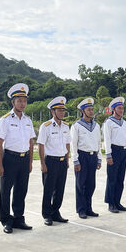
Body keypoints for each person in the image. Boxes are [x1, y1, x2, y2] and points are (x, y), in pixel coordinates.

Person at [0, 83, 36, 234]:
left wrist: (30, 162)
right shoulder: (5, 120)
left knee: (21, 190)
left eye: (24, 101)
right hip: (9, 158)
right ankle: (6, 220)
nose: (22, 103)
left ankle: (19, 218)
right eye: (19, 100)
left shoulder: (27, 120)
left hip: (24, 159)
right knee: (6, 191)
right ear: (13, 102)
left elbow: (31, 142)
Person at [37, 96, 71, 226]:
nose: (62, 113)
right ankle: (47, 214)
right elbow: (41, 145)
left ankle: (56, 212)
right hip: (50, 161)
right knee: (48, 189)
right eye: (59, 110)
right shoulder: (46, 126)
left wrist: (67, 159)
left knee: (60, 189)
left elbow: (67, 144)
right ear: (53, 111)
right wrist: (42, 163)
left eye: (63, 110)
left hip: (62, 161)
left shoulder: (66, 126)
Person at [71, 97, 102, 219]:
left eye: (92, 109)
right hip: (82, 156)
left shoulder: (96, 126)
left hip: (92, 156)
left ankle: (89, 208)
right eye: (89, 110)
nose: (91, 112)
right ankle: (81, 209)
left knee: (91, 184)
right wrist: (75, 160)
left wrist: (99, 159)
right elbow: (73, 144)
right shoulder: (76, 126)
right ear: (83, 111)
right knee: (80, 184)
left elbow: (99, 143)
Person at [103, 97, 126, 213]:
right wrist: (108, 155)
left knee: (120, 178)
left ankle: (117, 201)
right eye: (119, 108)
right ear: (113, 109)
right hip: (114, 151)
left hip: (123, 151)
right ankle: (111, 203)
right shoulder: (109, 123)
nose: (121, 110)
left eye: (122, 108)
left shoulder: (124, 122)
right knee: (112, 179)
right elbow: (107, 139)